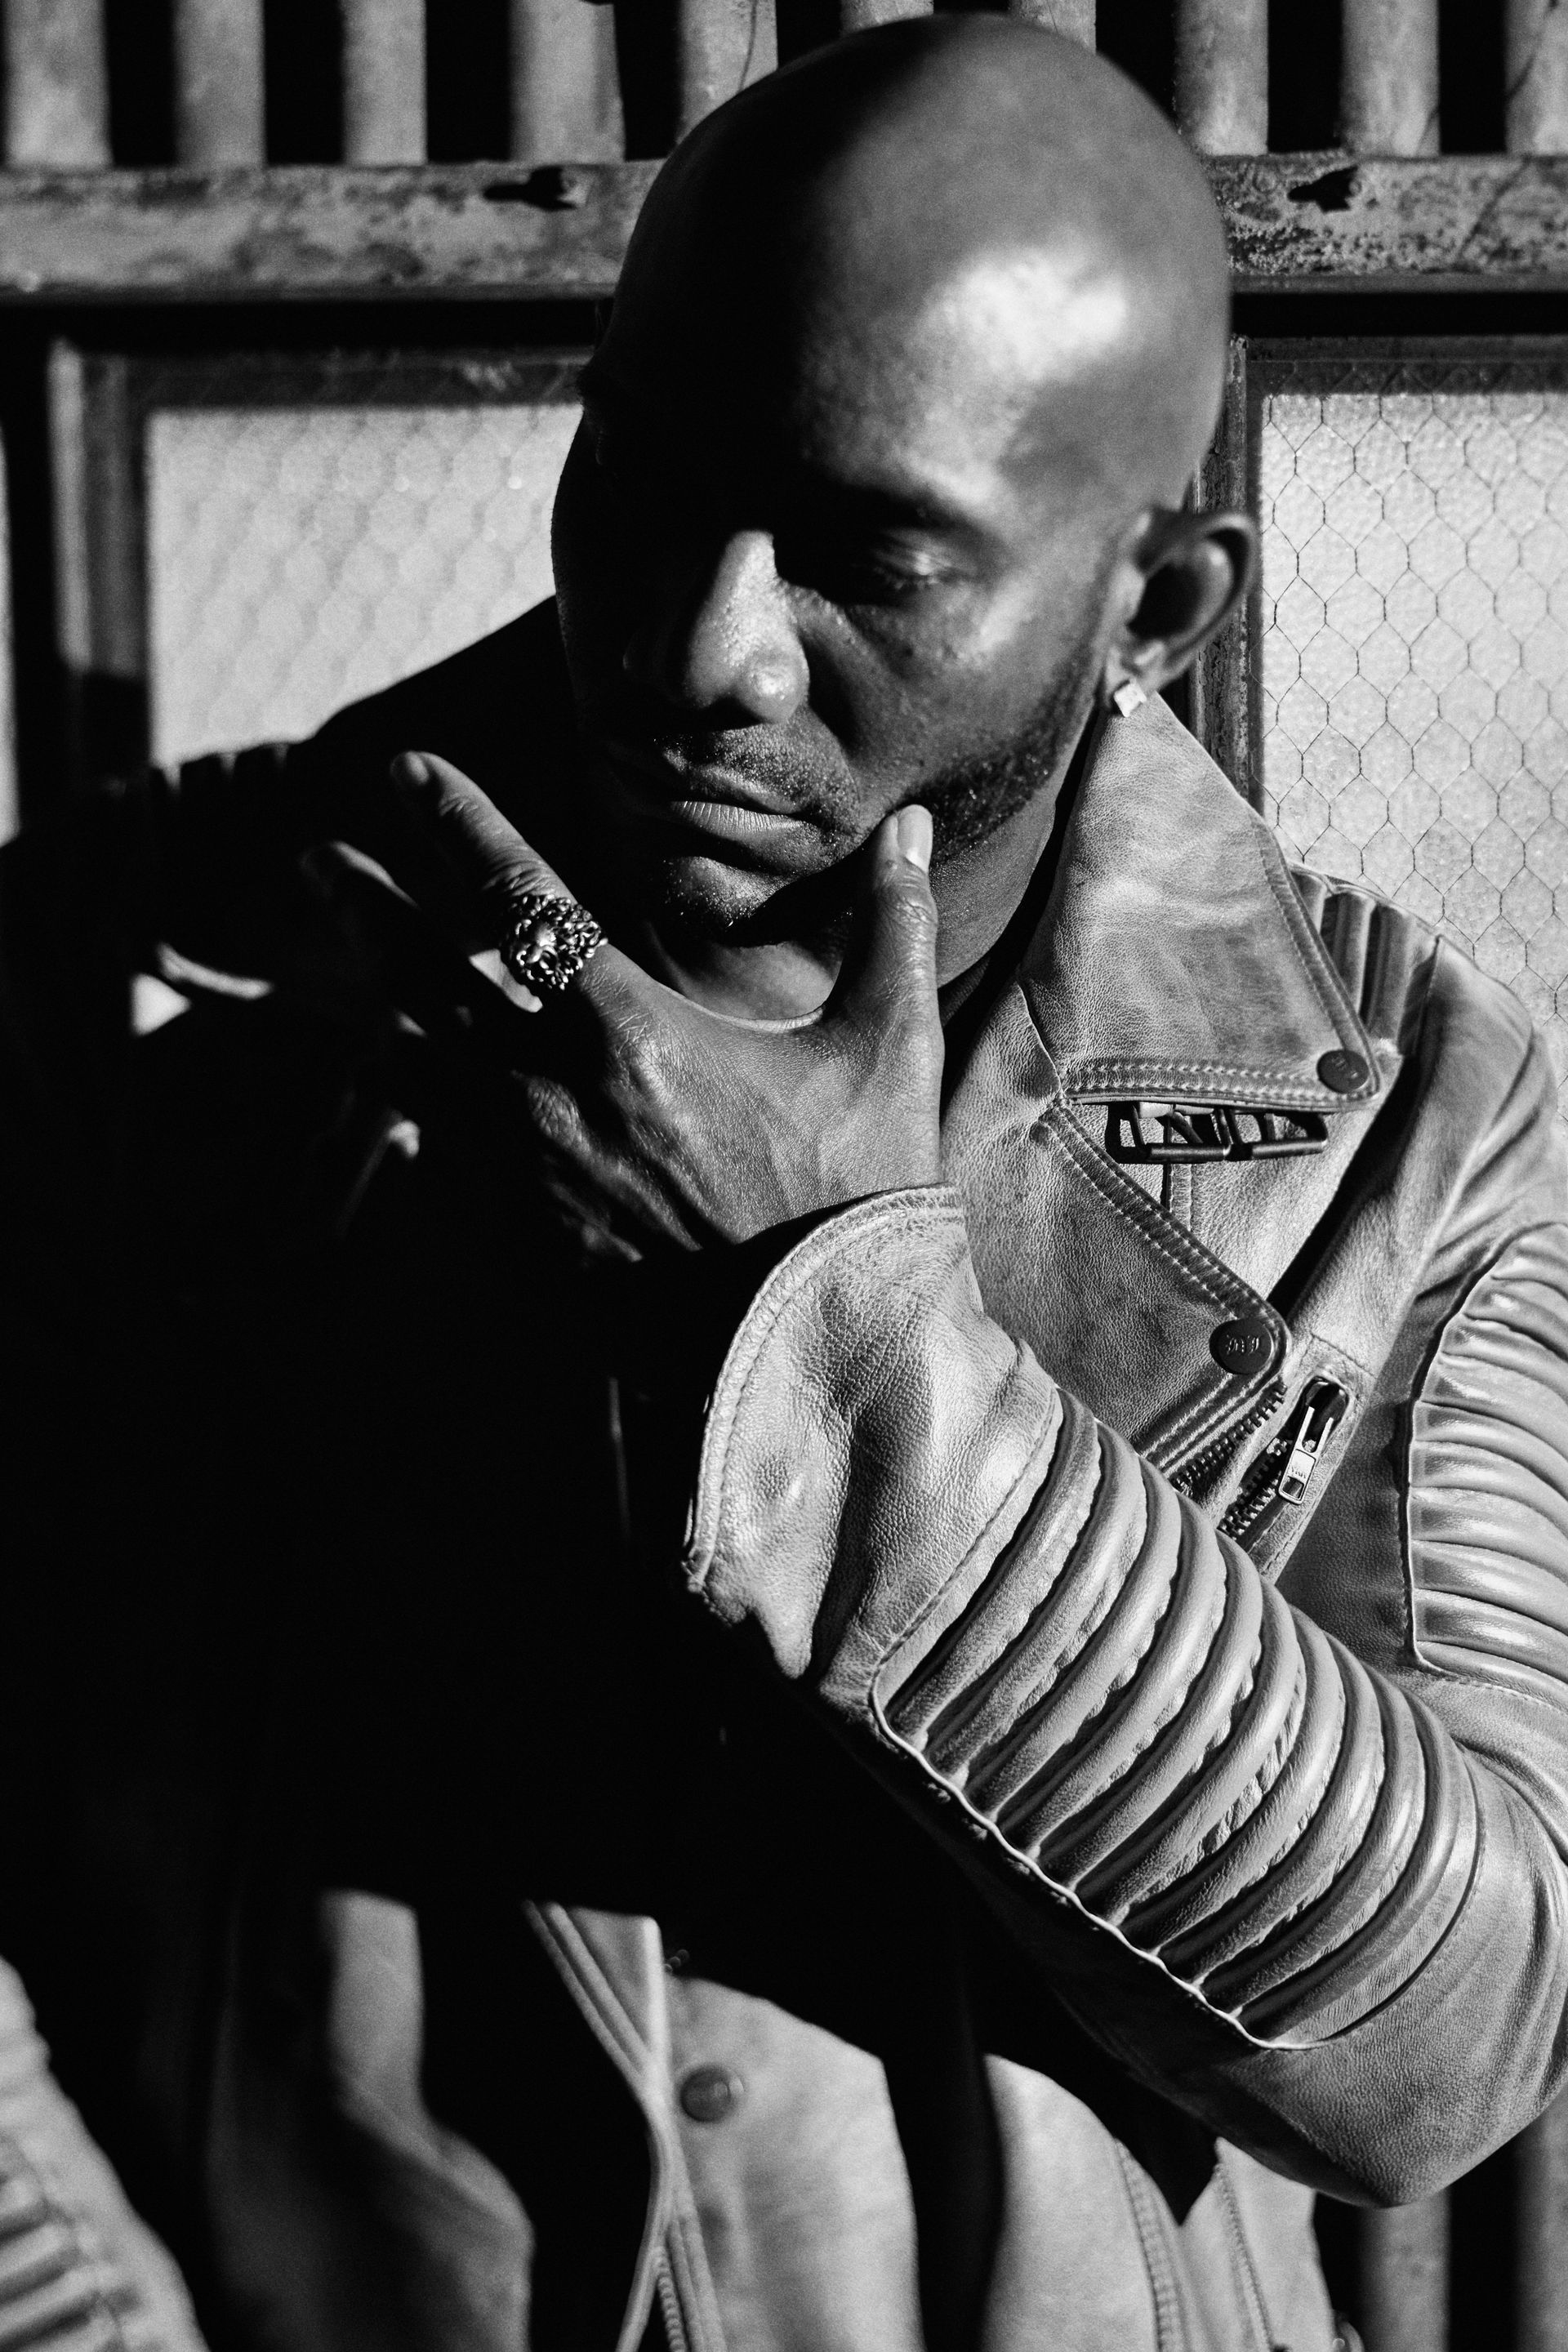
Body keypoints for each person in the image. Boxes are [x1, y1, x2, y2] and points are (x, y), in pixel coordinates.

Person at [5, 16, 1567, 2351]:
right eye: (632, 488)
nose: (696, 650)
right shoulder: (222, 1033)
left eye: (869, 558)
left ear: (1158, 603)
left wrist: (821, 1326)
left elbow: (1450, 2036)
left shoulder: (1396, 1114)